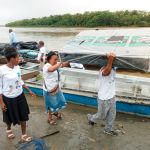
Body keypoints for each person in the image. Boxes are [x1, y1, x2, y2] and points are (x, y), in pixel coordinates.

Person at [0, 46, 35, 142]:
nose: (19, 59)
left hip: (20, 95)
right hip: (8, 98)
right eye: (17, 57)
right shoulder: (2, 70)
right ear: (11, 59)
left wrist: (29, 90)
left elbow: (20, 80)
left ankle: (24, 134)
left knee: (24, 115)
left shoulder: (17, 67)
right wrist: (1, 102)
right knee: (8, 116)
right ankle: (8, 129)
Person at [87, 52, 118, 136]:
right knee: (101, 116)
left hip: (112, 96)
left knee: (112, 115)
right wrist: (110, 59)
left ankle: (108, 129)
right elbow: (106, 73)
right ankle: (91, 118)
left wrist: (112, 58)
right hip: (103, 98)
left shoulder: (113, 68)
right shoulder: (102, 70)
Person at [43, 51, 69, 125]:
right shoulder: (46, 66)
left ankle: (56, 113)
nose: (56, 61)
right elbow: (51, 69)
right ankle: (49, 119)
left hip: (56, 88)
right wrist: (59, 63)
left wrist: (65, 63)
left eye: (57, 59)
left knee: (58, 101)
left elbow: (61, 65)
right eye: (54, 59)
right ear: (49, 59)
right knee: (50, 104)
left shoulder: (55, 65)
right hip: (49, 90)